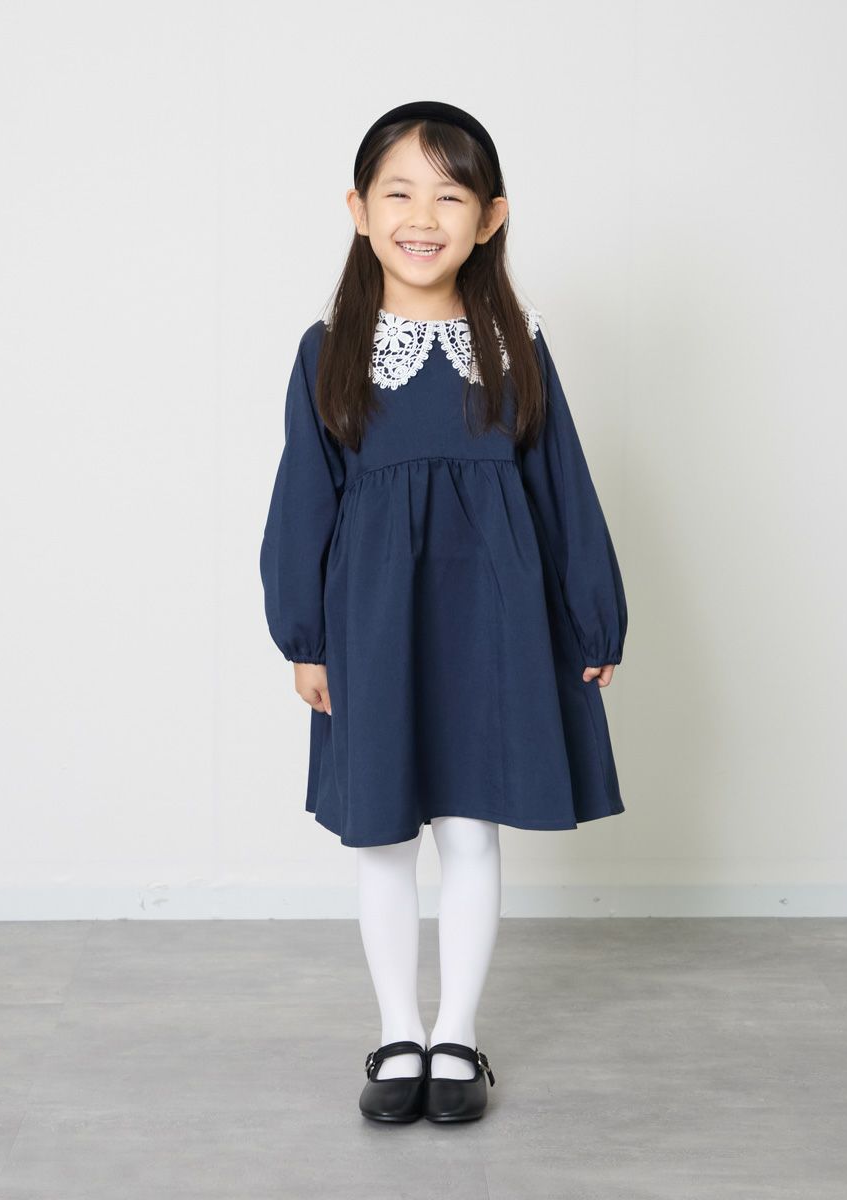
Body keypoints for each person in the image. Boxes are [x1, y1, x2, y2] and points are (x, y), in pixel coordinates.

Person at [259, 100, 628, 1124]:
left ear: (491, 216)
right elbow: (303, 498)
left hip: (493, 621)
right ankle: (397, 1033)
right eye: (399, 194)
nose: (423, 218)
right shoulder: (329, 348)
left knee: (470, 828)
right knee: (381, 837)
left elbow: (563, 486)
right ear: (358, 209)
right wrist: (305, 636)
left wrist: (593, 615)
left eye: (450, 196)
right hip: (374, 624)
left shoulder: (515, 346)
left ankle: (456, 1034)